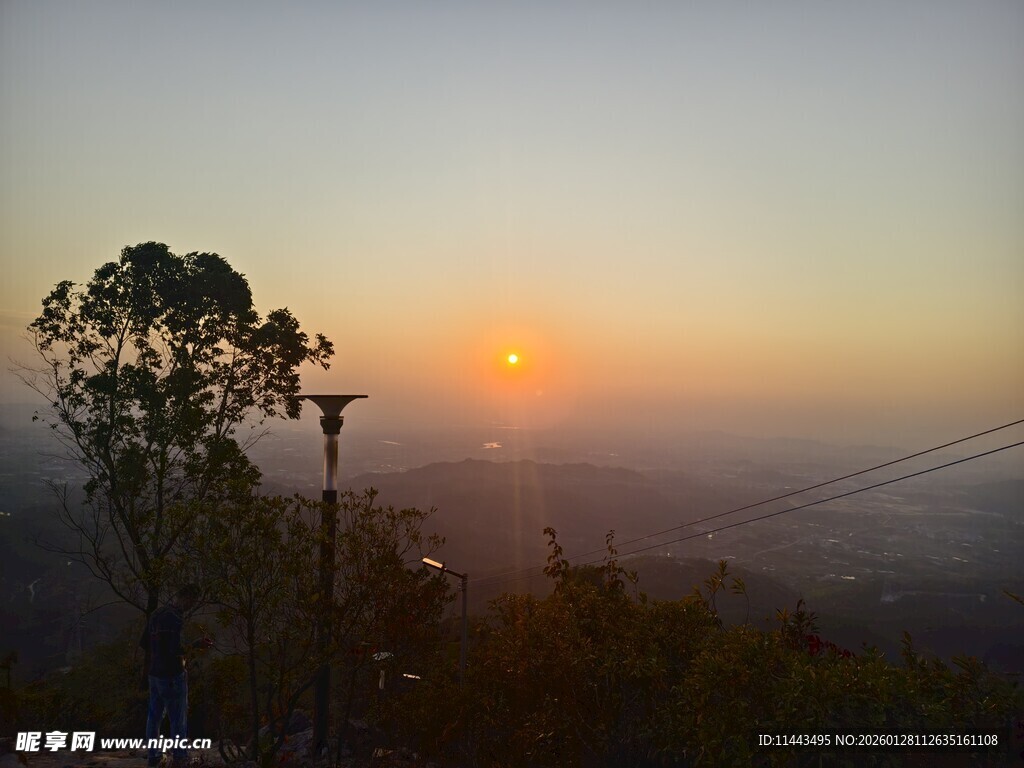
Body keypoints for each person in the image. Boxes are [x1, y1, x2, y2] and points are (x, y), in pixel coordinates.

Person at [139, 584, 213, 768]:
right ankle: (180, 758)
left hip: (154, 674)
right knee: (178, 719)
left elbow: (144, 642)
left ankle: (153, 756)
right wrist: (196, 644)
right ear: (185, 598)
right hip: (172, 675)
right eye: (192, 601)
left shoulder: (156, 614)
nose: (191, 605)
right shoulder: (175, 618)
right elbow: (175, 650)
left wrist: (157, 653)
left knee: (154, 717)